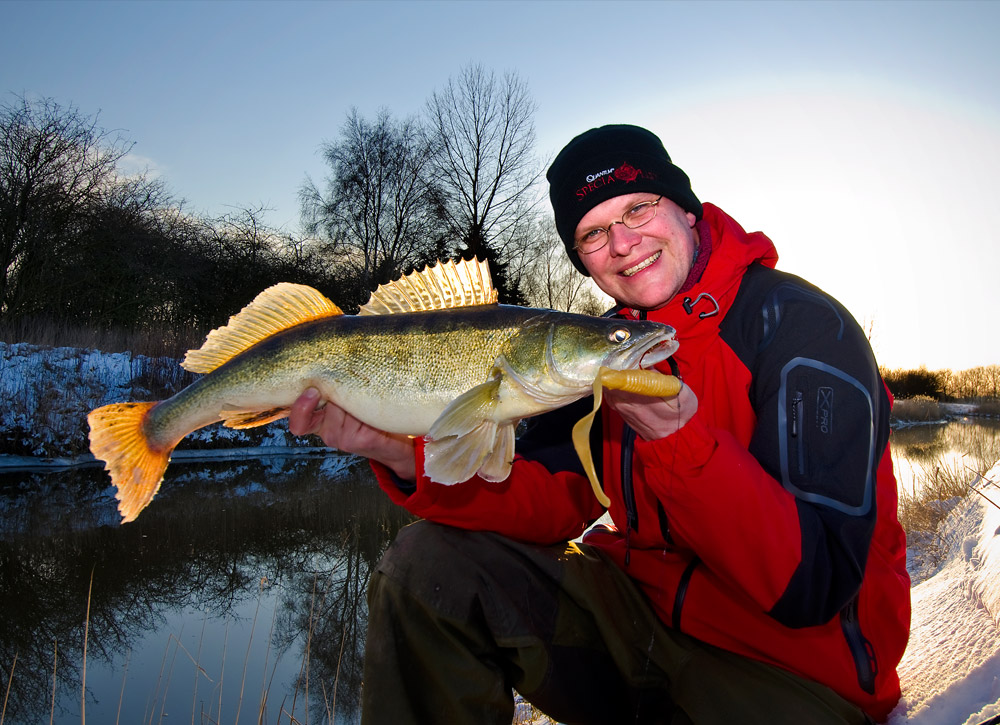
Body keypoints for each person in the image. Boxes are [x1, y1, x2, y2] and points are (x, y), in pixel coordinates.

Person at [288, 124, 910, 724]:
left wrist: (679, 445)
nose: (622, 242)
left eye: (639, 208)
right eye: (593, 234)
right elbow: (550, 500)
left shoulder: (802, 330)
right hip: (642, 625)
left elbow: (816, 585)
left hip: (792, 671)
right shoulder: (597, 351)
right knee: (429, 568)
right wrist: (402, 454)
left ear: (688, 211)